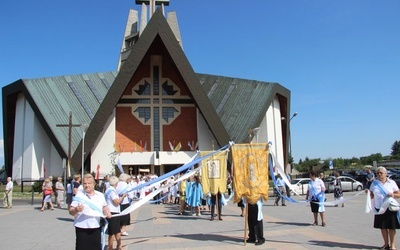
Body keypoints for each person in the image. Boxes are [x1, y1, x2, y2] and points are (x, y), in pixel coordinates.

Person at [69, 174, 111, 250]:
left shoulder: (100, 195)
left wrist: (107, 212)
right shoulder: (79, 195)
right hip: (82, 228)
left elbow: (104, 207)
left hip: (95, 227)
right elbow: (71, 211)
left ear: (94, 184)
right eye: (85, 183)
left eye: (89, 183)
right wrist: (76, 210)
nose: (87, 185)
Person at [369, 166, 400, 250]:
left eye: (381, 173)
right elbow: (371, 195)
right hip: (380, 208)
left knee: (391, 227)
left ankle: (392, 245)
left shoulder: (391, 182)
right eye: (378, 173)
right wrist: (368, 194)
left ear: (385, 174)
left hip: (390, 208)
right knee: (383, 227)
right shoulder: (374, 183)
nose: (379, 174)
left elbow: (398, 194)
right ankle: (386, 244)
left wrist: (393, 195)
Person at [105, 176, 126, 250]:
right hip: (113, 213)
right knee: (112, 232)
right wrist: (122, 197)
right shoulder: (112, 191)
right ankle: (110, 247)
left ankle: (119, 245)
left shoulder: (109, 190)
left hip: (114, 212)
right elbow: (117, 202)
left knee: (117, 230)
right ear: (116, 183)